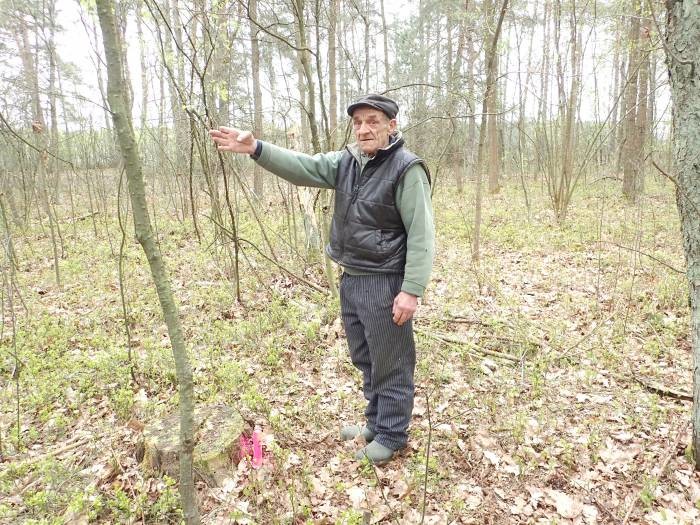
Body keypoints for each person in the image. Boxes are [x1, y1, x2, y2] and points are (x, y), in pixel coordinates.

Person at [209, 94, 435, 465]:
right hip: (353, 277)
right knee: (366, 357)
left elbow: (422, 234)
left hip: (385, 280)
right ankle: (376, 423)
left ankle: (393, 435)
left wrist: (411, 290)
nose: (364, 129)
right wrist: (256, 148)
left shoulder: (407, 169)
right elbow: (305, 167)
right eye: (358, 121)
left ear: (391, 125)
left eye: (373, 121)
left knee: (391, 360)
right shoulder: (346, 162)